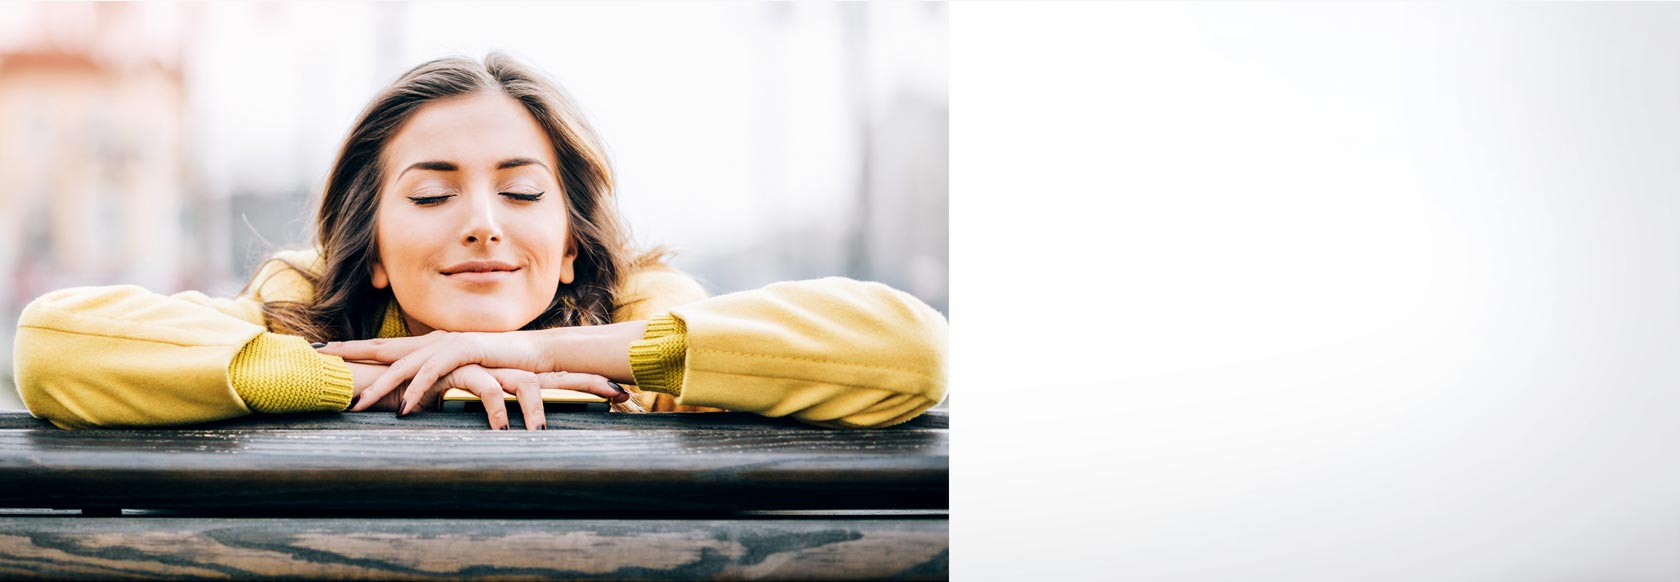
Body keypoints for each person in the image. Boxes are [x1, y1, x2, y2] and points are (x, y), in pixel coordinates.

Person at [11, 52, 947, 431]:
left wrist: (528, 348)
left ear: (573, 243)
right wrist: (379, 375)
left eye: (521, 190)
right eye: (430, 194)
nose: (483, 221)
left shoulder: (650, 326)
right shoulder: (299, 318)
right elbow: (54, 344)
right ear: (371, 248)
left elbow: (911, 351)